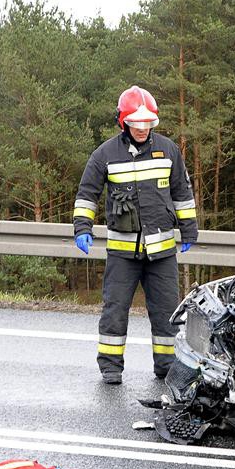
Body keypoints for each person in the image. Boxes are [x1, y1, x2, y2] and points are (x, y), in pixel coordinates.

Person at [72, 86, 198, 385]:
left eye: (147, 124)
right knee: (115, 310)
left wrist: (189, 229)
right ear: (123, 121)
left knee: (167, 312)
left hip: (162, 252)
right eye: (136, 124)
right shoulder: (105, 154)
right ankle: (111, 366)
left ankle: (167, 366)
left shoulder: (168, 150)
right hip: (122, 252)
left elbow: (182, 192)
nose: (142, 130)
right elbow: (86, 194)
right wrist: (82, 228)